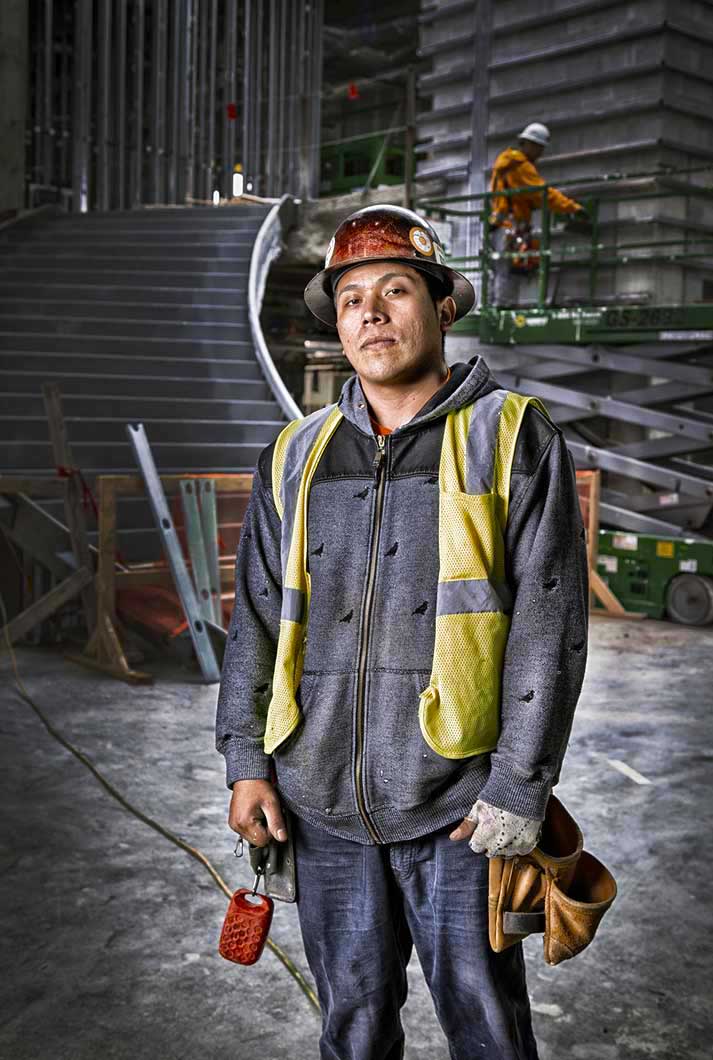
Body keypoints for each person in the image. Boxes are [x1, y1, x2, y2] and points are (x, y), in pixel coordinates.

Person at [216, 204, 589, 1060]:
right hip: (318, 802)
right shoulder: (294, 453)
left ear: (443, 308)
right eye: (350, 300)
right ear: (336, 323)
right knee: (351, 1023)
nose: (371, 314)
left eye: (394, 290)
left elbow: (549, 624)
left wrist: (519, 787)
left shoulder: (510, 437)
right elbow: (260, 623)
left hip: (460, 808)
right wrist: (246, 763)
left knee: (487, 1027)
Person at [489, 122, 586, 306]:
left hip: (501, 225)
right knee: (506, 269)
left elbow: (528, 196)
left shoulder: (508, 162)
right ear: (529, 144)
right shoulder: (520, 166)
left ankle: (501, 305)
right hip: (509, 226)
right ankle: (502, 308)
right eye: (539, 148)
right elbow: (543, 194)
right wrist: (573, 208)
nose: (541, 153)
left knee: (504, 268)